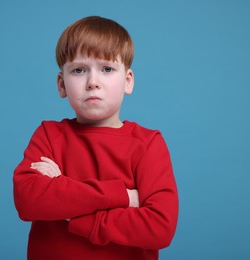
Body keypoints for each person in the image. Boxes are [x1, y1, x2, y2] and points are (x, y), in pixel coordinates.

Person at [13, 16, 178, 260]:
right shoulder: (49, 135)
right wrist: (123, 196)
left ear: (128, 81)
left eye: (107, 69)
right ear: (61, 84)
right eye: (79, 70)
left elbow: (159, 228)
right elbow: (28, 200)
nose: (92, 82)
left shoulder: (147, 144)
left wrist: (71, 210)